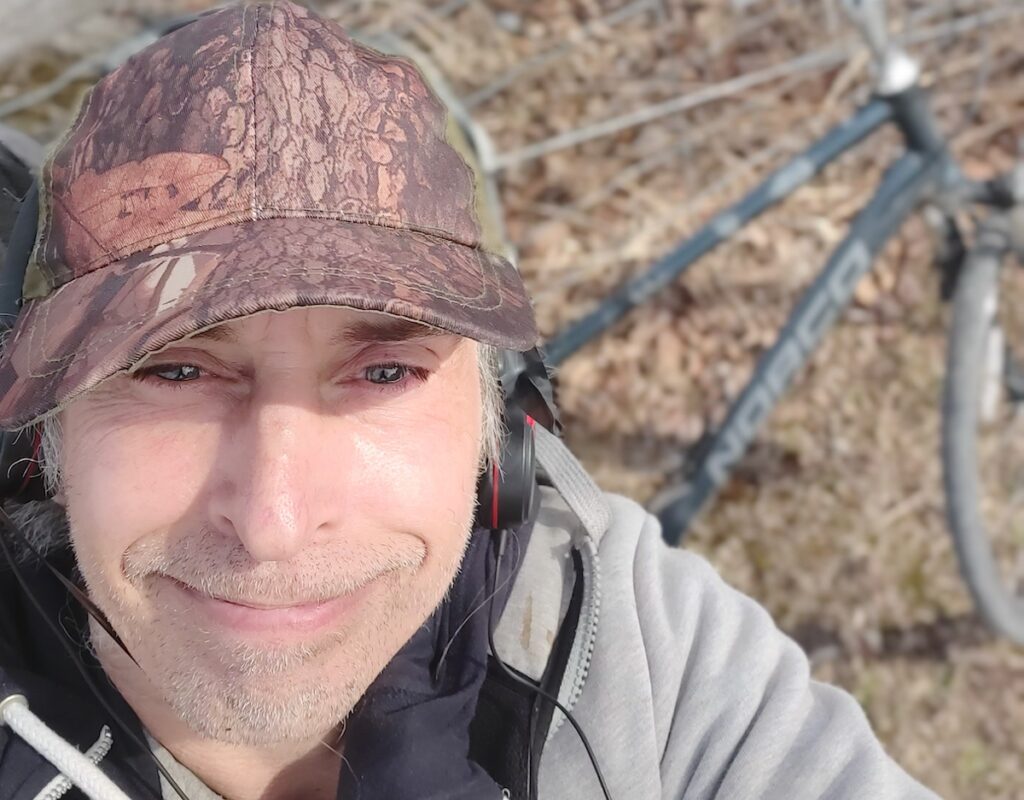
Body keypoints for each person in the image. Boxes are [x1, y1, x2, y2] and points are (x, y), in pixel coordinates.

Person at [0, 3, 942, 799]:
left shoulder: (634, 645)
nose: (273, 523)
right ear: (42, 445)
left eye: (382, 373)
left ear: (501, 446)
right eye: (173, 370)